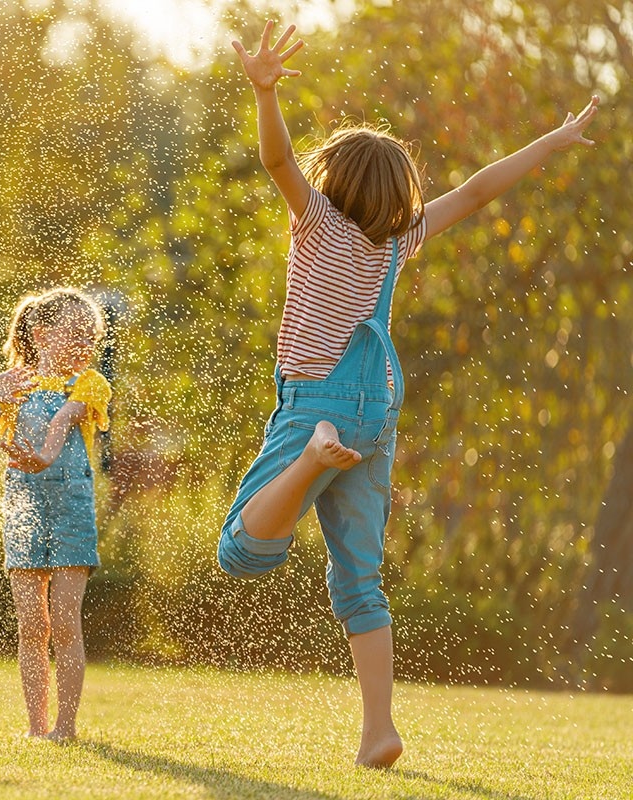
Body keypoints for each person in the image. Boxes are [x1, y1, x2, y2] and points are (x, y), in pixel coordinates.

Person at [220, 21, 599, 768]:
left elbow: (275, 157)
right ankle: (378, 730)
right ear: (399, 195)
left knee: (242, 552)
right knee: (359, 579)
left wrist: (265, 91)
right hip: (379, 401)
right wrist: (550, 144)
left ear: (334, 182)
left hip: (320, 397)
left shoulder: (318, 222)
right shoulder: (401, 240)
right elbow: (482, 188)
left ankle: (311, 463)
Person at [0, 287, 112, 742]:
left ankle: (65, 727)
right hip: (24, 509)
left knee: (65, 621)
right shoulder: (17, 382)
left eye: (91, 336)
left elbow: (61, 423)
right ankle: (36, 727)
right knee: (32, 624)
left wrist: (46, 457)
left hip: (71, 509)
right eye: (76, 333)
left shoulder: (89, 383)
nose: (86, 344)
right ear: (42, 334)